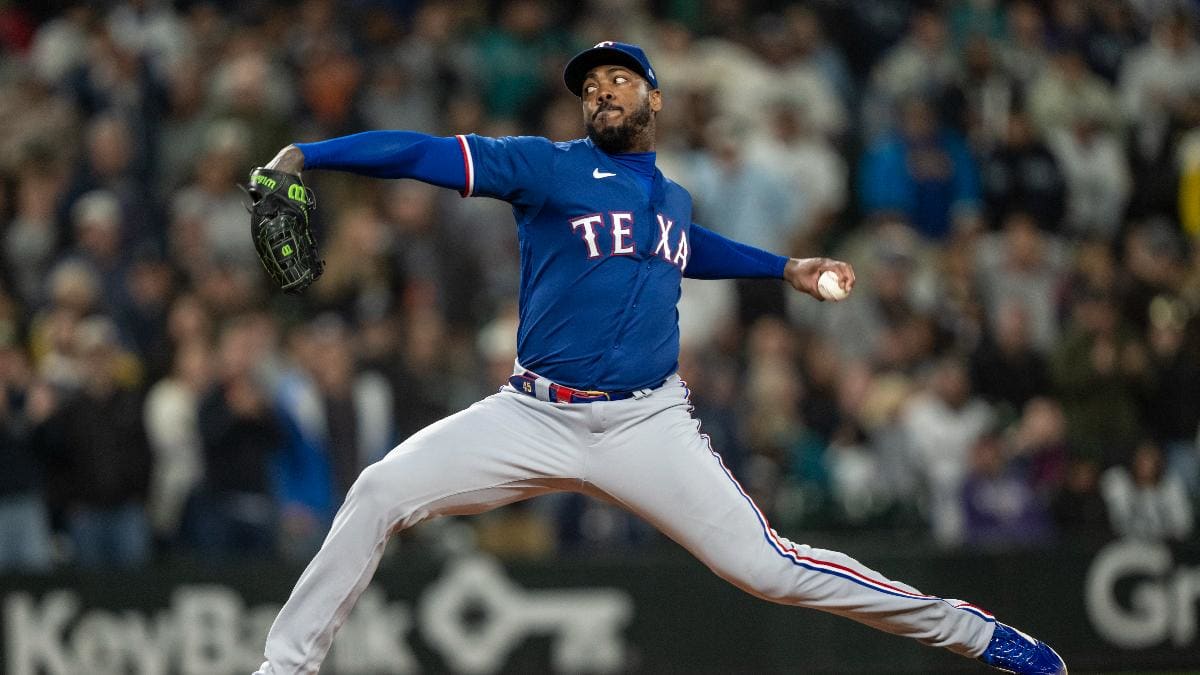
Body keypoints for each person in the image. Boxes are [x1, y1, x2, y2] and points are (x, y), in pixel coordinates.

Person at [252, 42, 1065, 675]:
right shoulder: (550, 166)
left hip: (647, 422)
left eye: (618, 78)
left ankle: (978, 633)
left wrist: (785, 268)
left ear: (655, 97)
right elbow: (423, 152)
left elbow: (689, 247)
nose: (601, 90)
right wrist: (310, 155)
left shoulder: (669, 197)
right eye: (589, 85)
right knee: (380, 488)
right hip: (532, 412)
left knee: (769, 568)